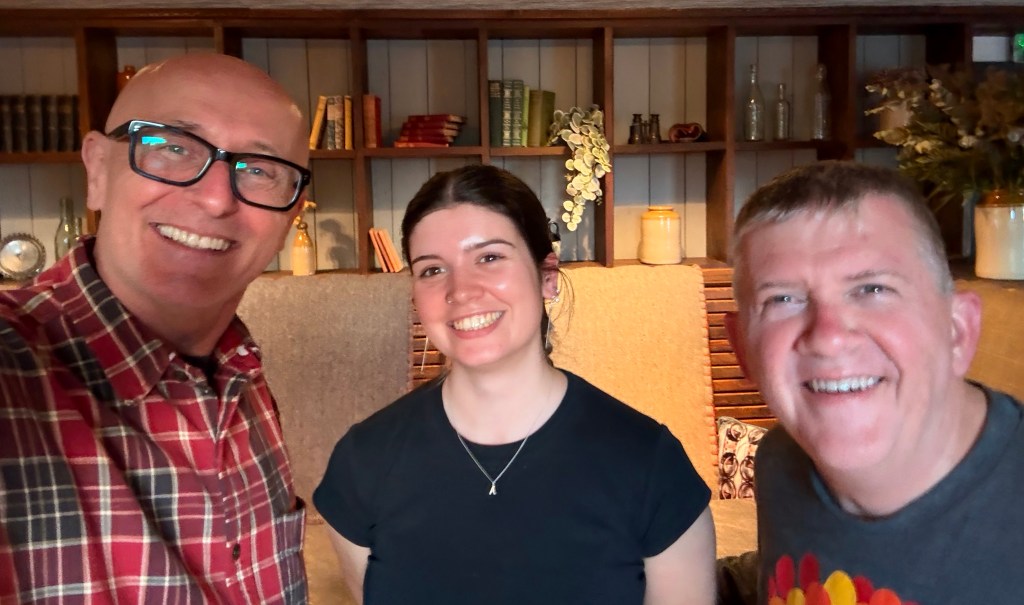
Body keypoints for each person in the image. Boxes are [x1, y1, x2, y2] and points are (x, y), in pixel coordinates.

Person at [314, 164, 715, 605]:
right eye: (432, 270)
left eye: (489, 258)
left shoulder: (651, 465)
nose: (461, 290)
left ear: (547, 276)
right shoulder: (361, 464)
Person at [0, 53, 311, 603]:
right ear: (98, 170)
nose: (215, 199)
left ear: (291, 215)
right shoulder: (14, 369)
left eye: (259, 170)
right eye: (173, 147)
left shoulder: (243, 374)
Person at [728, 160, 1024, 603]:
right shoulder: (780, 464)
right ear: (741, 349)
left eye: (872, 289)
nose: (828, 337)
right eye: (783, 299)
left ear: (958, 331)